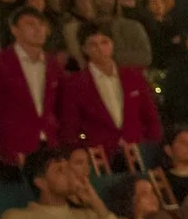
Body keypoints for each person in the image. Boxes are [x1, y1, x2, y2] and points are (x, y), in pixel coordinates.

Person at [55, 23, 163, 160]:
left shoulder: (133, 77)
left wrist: (152, 148)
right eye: (93, 45)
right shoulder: (75, 84)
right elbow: (70, 126)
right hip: (100, 156)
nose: (100, 48)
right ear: (84, 49)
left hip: (138, 152)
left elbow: (151, 117)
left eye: (104, 42)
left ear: (112, 44)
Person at [0, 6, 65, 171]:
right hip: (13, 146)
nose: (38, 29)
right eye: (30, 24)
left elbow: (61, 105)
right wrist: (2, 141)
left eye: (41, 24)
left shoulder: (53, 65)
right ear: (15, 30)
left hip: (50, 143)